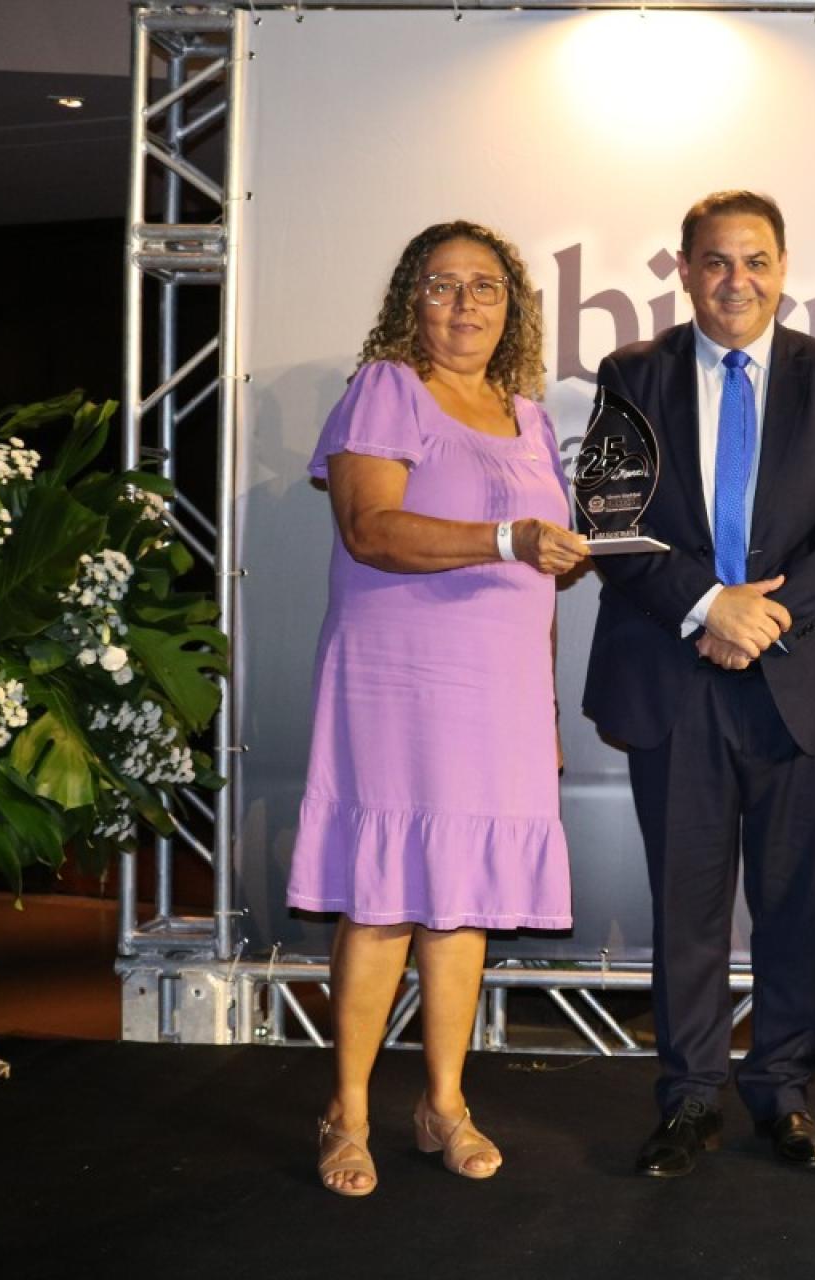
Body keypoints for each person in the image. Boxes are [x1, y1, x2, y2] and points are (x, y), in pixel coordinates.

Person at [581, 190, 815, 1178]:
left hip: (799, 681)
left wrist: (769, 615)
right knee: (688, 903)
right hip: (675, 677)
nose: (736, 281)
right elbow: (609, 516)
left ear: (783, 267)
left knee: (794, 902)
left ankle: (784, 1091)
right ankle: (690, 1094)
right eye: (716, 261)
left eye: (756, 261)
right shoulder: (632, 374)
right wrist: (708, 604)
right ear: (683, 269)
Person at [288, 220, 589, 1196]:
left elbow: (540, 582)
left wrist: (545, 707)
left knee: (464, 898)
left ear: (514, 308)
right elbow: (369, 527)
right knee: (383, 897)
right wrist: (506, 535)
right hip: (399, 683)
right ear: (409, 301)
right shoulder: (387, 387)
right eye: (442, 284)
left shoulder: (529, 417)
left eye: (485, 286)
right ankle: (347, 1112)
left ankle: (444, 1104)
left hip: (500, 694)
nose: (465, 304)